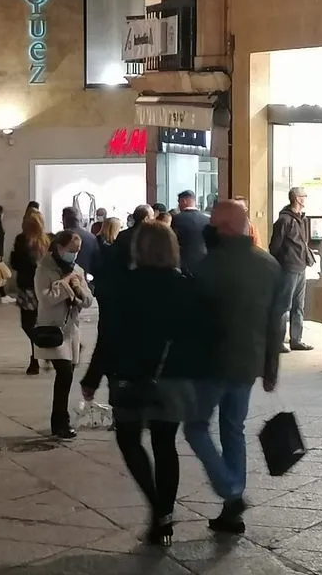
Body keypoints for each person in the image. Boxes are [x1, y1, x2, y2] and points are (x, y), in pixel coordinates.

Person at [82, 221, 212, 546]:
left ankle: (156, 505)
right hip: (172, 377)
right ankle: (164, 514)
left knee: (129, 440)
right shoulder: (187, 286)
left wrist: (92, 377)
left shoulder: (121, 286)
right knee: (165, 444)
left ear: (138, 248)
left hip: (128, 377)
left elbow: (107, 336)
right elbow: (200, 338)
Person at [186, 200, 284, 534]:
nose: (209, 227)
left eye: (214, 222)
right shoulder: (269, 265)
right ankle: (232, 510)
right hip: (248, 362)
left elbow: (195, 322)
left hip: (213, 362)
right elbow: (276, 323)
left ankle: (230, 488)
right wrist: (271, 367)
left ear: (226, 227)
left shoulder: (207, 266)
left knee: (196, 427)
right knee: (233, 429)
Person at [33, 230, 94, 439]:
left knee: (66, 374)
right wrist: (67, 284)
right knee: (65, 373)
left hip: (71, 328)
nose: (74, 255)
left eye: (77, 251)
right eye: (71, 250)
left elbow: (88, 300)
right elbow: (46, 298)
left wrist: (79, 293)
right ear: (59, 247)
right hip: (52, 326)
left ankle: (58, 420)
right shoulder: (44, 268)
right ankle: (60, 421)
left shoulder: (77, 269)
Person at [269, 187, 315, 352]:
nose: (305, 199)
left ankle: (296, 340)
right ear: (297, 198)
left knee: (299, 305)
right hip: (288, 267)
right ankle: (278, 342)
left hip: (301, 266)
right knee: (283, 305)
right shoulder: (285, 220)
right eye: (304, 196)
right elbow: (275, 246)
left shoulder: (300, 219)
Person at [10, 210, 50, 375]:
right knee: (38, 323)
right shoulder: (47, 240)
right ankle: (45, 351)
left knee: (28, 324)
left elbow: (16, 264)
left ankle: (39, 356)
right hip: (43, 286)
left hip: (27, 286)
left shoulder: (22, 240)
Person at [170, 190, 209, 276]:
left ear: (184, 201)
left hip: (184, 261)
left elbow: (172, 240)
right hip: (203, 259)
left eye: (179, 202)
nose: (178, 205)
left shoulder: (176, 219)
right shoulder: (207, 219)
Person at [61, 206, 99, 274]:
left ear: (64, 219)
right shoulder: (92, 237)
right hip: (87, 278)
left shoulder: (61, 237)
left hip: (65, 278)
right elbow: (97, 261)